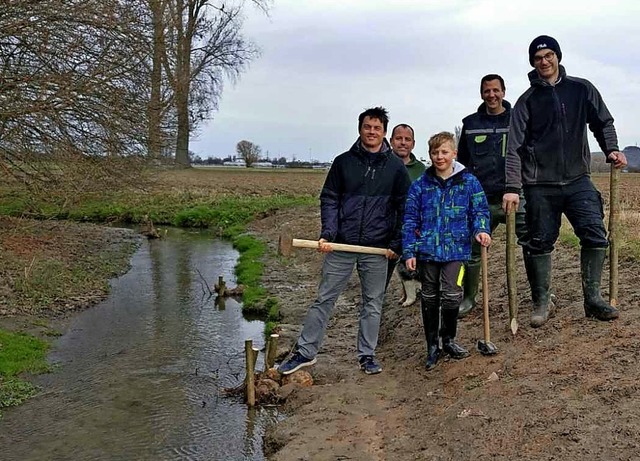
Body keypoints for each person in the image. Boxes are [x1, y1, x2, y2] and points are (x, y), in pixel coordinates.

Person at [503, 35, 627, 328]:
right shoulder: (527, 101)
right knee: (539, 243)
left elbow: (602, 121)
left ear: (557, 56)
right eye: (538, 58)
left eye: (548, 55)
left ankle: (593, 298)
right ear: (533, 63)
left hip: (577, 179)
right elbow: (514, 148)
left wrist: (611, 148)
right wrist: (511, 187)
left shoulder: (581, 89)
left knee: (595, 234)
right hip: (539, 185)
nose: (544, 62)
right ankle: (542, 301)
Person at [278, 107, 411, 375]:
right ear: (360, 129)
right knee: (324, 298)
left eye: (377, 128)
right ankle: (305, 352)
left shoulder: (396, 168)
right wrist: (328, 232)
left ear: (384, 132)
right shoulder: (343, 162)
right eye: (367, 127)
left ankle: (367, 355)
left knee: (373, 302)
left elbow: (405, 207)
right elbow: (329, 198)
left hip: (376, 248)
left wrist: (396, 244)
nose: (371, 132)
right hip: (341, 245)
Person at [403, 131, 491, 370]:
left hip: (457, 250)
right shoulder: (420, 185)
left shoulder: (469, 182)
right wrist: (410, 251)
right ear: (429, 155)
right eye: (434, 153)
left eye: (444, 152)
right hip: (428, 252)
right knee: (429, 296)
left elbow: (479, 211)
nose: (439, 157)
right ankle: (432, 346)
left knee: (452, 294)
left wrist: (481, 230)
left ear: (454, 153)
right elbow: (411, 219)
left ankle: (449, 339)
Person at [456, 74, 529, 318]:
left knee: (532, 243)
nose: (492, 95)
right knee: (474, 249)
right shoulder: (471, 123)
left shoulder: (517, 119)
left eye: (496, 90)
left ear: (504, 92)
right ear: (481, 93)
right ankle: (469, 297)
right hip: (482, 200)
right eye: (487, 91)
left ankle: (541, 294)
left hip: (515, 196)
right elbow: (463, 163)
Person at [387, 124, 426, 306]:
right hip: (386, 228)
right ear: (391, 141)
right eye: (398, 139)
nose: (403, 143)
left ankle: (414, 293)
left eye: (407, 139)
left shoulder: (421, 170)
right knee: (389, 268)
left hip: (413, 228)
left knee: (409, 264)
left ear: (413, 143)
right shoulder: (383, 164)